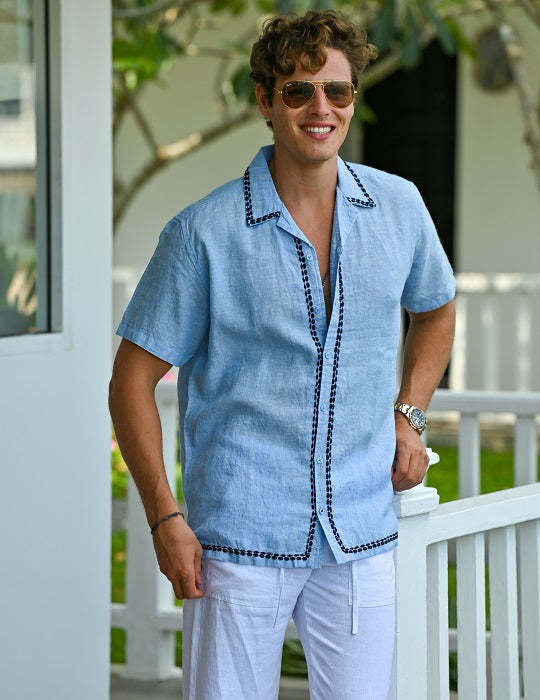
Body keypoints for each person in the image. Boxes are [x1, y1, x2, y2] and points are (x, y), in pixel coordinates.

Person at [109, 9, 456, 700]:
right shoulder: (202, 234)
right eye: (298, 91)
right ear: (265, 101)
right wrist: (164, 517)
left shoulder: (400, 208)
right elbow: (130, 383)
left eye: (337, 90)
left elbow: (436, 308)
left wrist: (410, 414)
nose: (320, 108)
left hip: (360, 530)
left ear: (353, 98)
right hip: (238, 542)